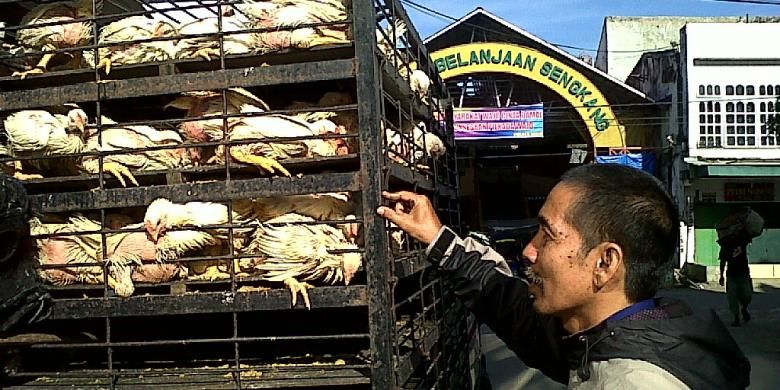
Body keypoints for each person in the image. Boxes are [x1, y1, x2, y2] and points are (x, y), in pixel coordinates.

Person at [377, 164, 750, 389]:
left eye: (548, 234)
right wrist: (438, 239)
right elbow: (513, 311)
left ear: (605, 262)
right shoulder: (621, 333)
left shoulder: (632, 380)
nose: (528, 250)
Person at [718, 233, 753, 327]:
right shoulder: (725, 246)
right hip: (731, 275)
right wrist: (721, 276)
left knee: (747, 295)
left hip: (744, 273)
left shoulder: (742, 241)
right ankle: (736, 318)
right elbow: (722, 261)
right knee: (733, 297)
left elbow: (751, 234)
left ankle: (744, 308)